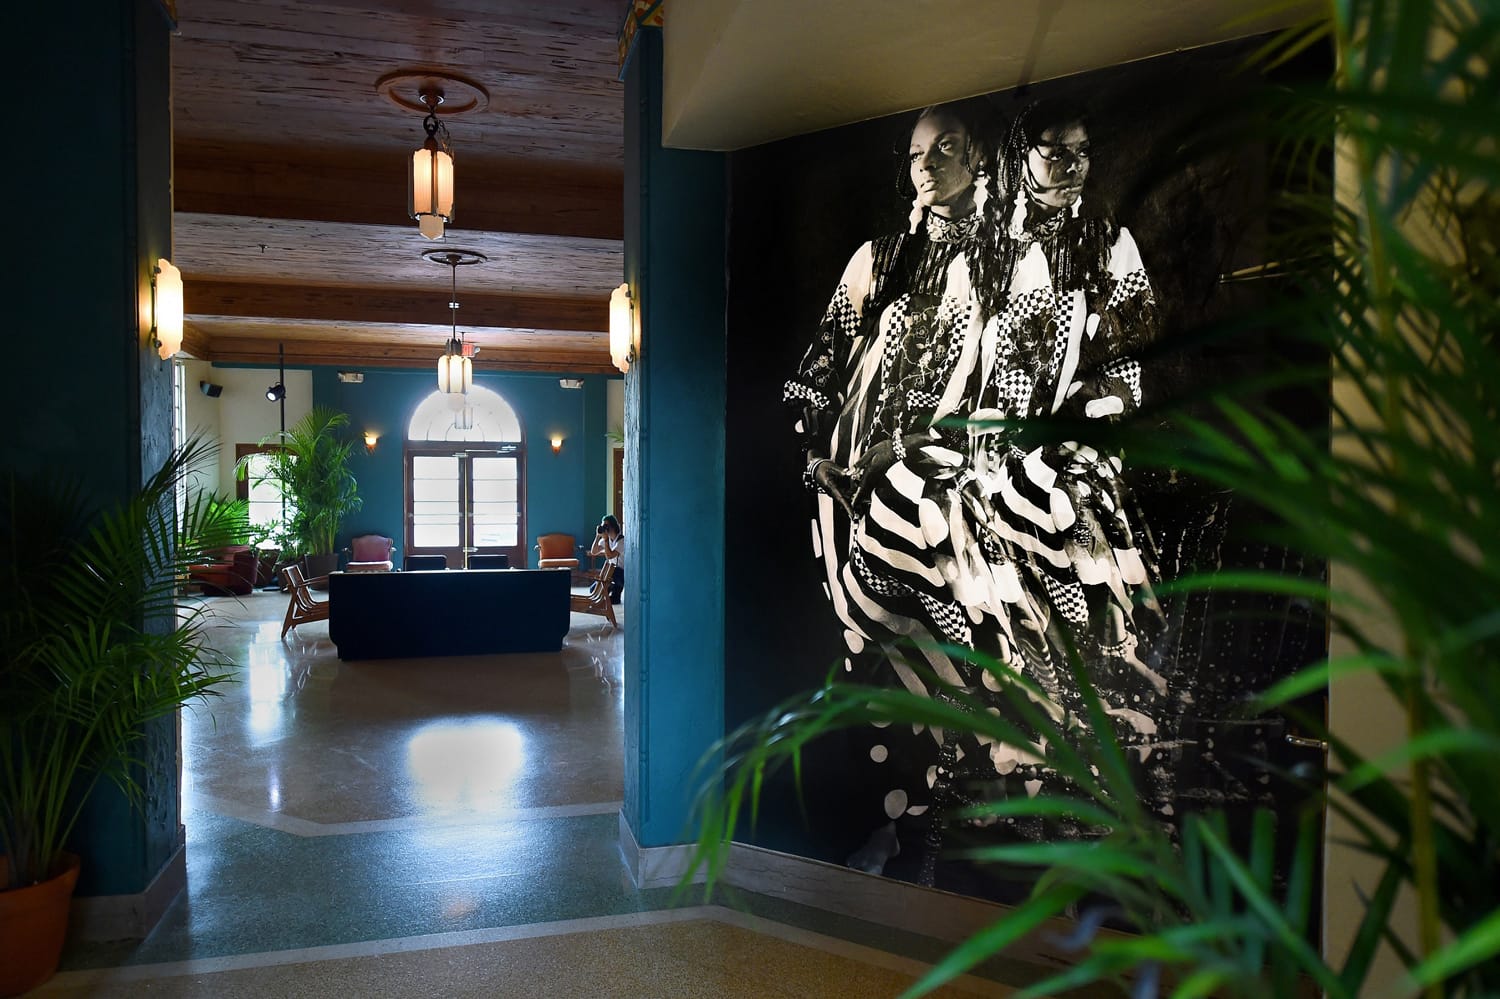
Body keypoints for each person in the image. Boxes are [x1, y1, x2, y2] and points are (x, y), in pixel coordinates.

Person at [589, 514, 624, 604]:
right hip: (612, 574)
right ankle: (613, 593)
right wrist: (598, 536)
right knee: (593, 590)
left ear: (613, 527)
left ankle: (613, 590)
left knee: (612, 569)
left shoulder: (621, 541)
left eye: (606, 526)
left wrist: (605, 540)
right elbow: (594, 551)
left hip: (622, 574)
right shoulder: (607, 539)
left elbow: (610, 556)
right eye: (603, 526)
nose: (604, 528)